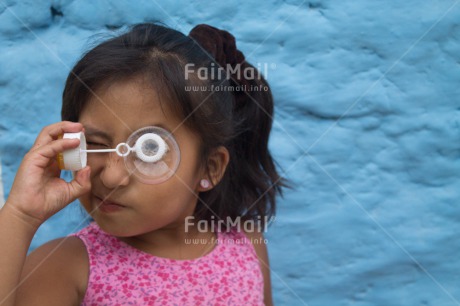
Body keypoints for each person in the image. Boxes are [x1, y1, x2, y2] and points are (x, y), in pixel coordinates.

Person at [0, 23, 285, 305]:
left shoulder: (245, 244)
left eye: (149, 149)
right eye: (96, 144)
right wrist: (21, 216)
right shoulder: (65, 267)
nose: (111, 178)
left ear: (210, 167)